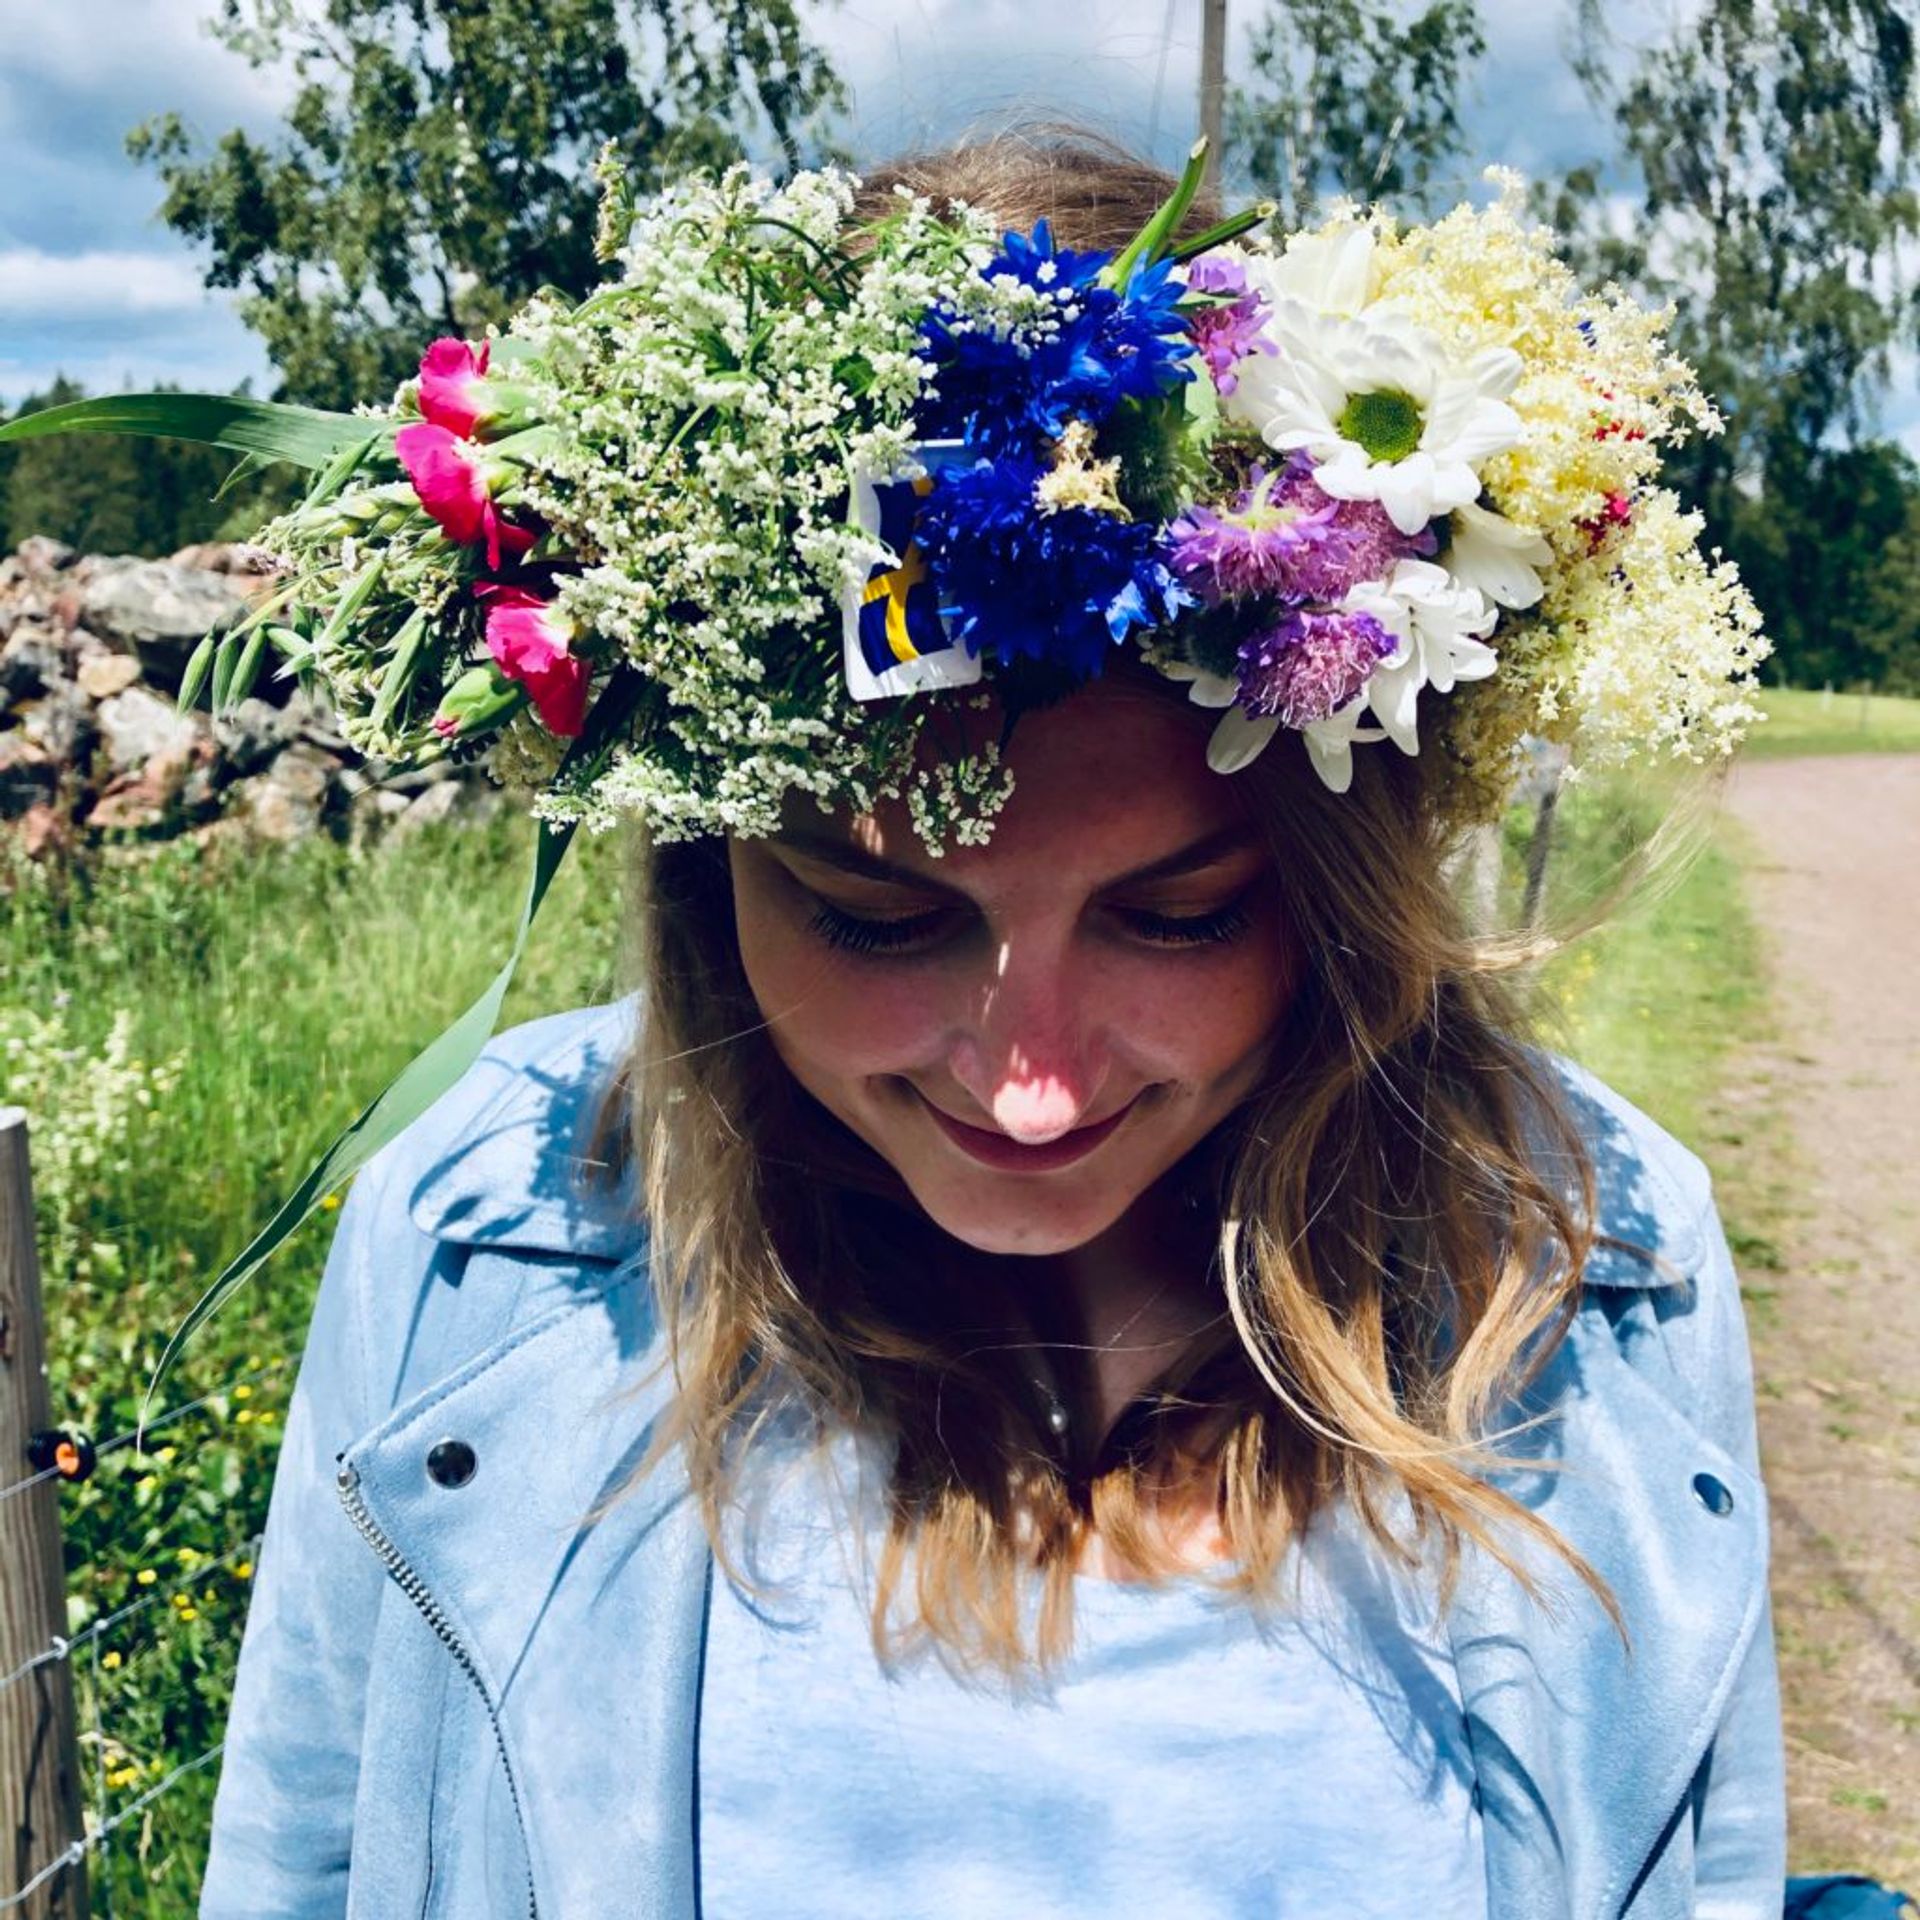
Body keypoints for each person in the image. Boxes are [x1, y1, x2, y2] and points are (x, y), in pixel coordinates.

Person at [194, 134, 1791, 1917]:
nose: (1030, 1089)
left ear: (1343, 876)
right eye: (881, 919)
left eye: (1178, 915)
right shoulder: (480, 1244)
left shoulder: (1590, 1264)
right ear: (709, 878)